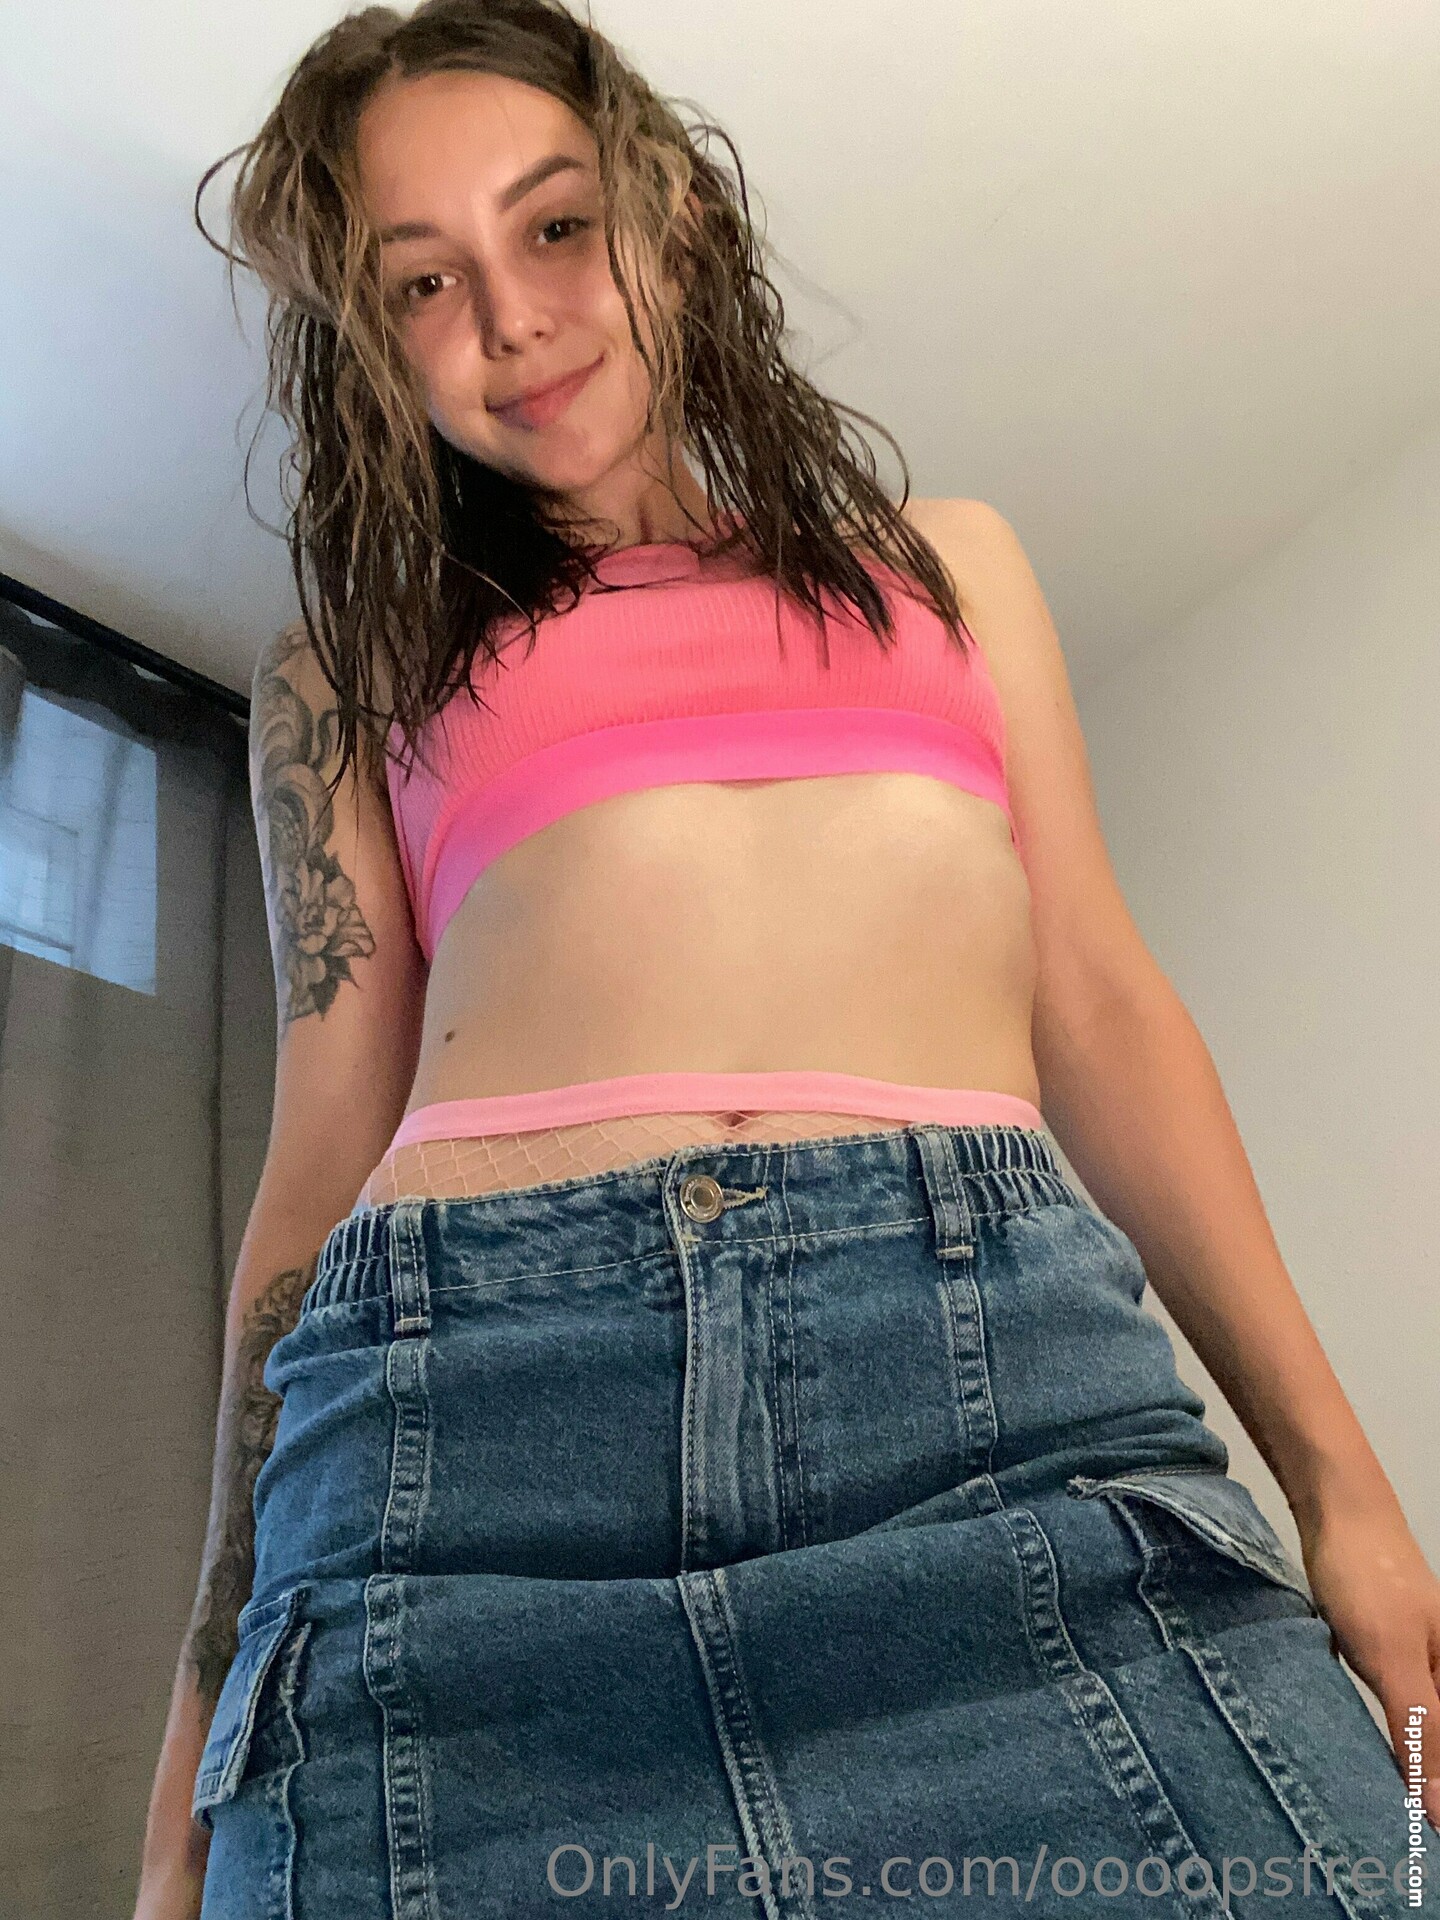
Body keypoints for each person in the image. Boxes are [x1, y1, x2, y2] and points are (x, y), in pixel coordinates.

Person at [134, 2, 1438, 1913]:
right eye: (425, 282)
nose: (511, 319)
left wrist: (1347, 1492)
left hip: (999, 1404)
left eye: (555, 226)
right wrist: (190, 1761)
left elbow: (1099, 1006)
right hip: (464, 1448)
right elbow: (317, 1164)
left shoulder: (949, 564)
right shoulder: (348, 671)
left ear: (669, 212)